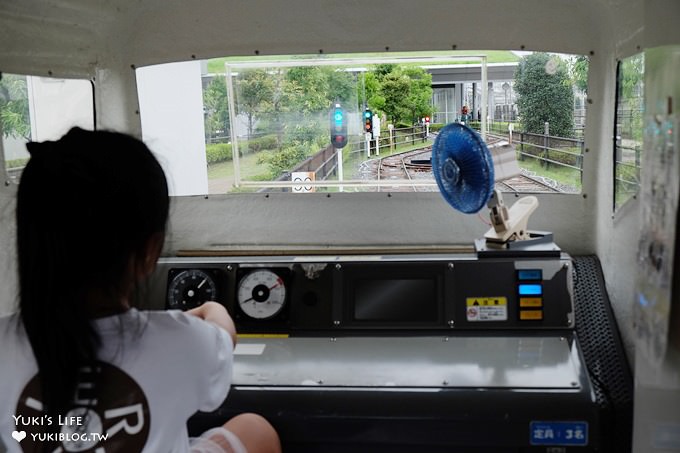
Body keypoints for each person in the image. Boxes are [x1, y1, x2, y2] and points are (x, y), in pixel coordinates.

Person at [0, 128, 281, 453]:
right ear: (150, 252)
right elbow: (223, 337)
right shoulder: (183, 341)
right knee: (254, 429)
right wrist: (208, 310)